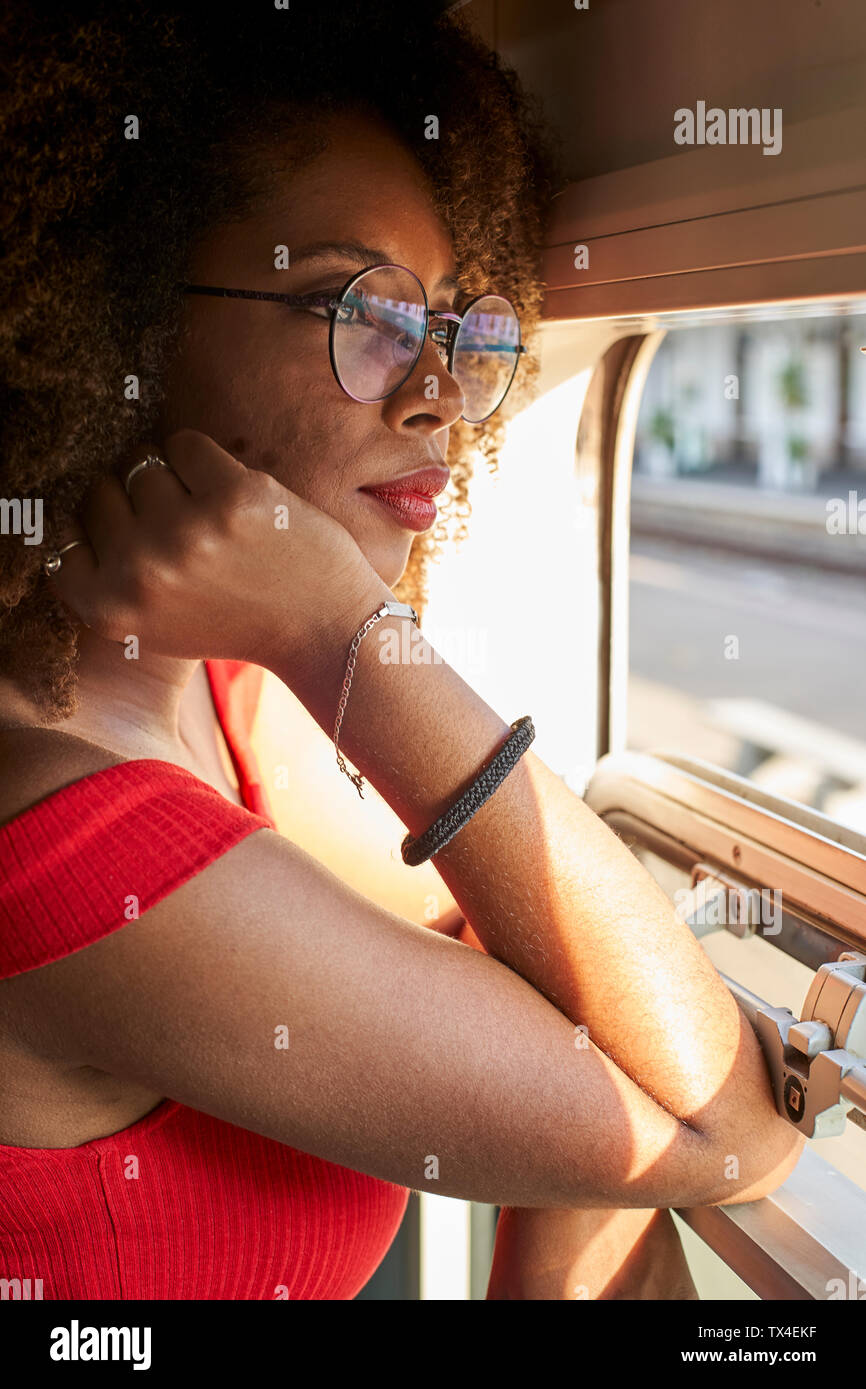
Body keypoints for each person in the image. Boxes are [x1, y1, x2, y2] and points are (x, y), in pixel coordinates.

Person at [0, 0, 803, 1301]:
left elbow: (560, 992)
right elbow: (723, 1124)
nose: (436, 389)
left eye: (455, 328)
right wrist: (339, 630)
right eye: (354, 308)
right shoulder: (60, 837)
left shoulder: (222, 698)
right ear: (119, 321)